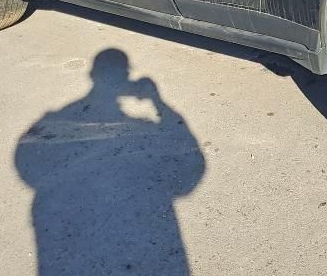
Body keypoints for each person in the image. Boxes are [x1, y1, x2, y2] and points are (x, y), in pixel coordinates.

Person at [15, 48, 204, 275]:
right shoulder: (136, 126)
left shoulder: (58, 117)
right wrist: (157, 101)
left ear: (93, 74)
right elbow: (192, 172)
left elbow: (25, 159)